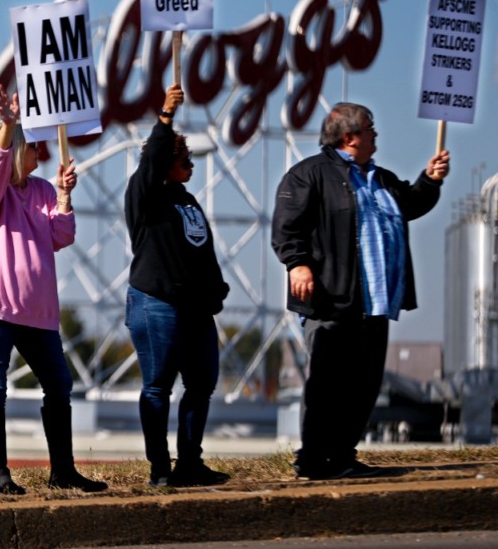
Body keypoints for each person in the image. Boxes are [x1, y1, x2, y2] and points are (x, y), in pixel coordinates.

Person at [272, 102, 449, 480]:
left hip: (377, 300)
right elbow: (288, 226)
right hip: (332, 300)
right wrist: (297, 262)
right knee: (326, 382)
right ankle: (313, 458)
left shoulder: (381, 179)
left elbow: (410, 204)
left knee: (364, 384)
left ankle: (342, 456)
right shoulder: (309, 175)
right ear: (350, 137)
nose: (376, 135)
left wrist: (430, 181)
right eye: (370, 129)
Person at [0, 85, 107, 495]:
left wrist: (63, 196)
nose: (40, 154)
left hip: (36, 312)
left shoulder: (41, 189)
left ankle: (63, 471)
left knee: (58, 384)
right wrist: (9, 126)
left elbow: (62, 235)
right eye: (33, 148)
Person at [124, 84, 231, 488]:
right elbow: (151, 159)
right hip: (156, 304)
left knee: (201, 385)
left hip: (195, 310)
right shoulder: (145, 195)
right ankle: (160, 468)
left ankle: (190, 463)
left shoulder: (187, 199)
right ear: (167, 160)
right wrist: (165, 118)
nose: (192, 165)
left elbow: (200, 251)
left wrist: (215, 291)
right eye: (185, 158)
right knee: (158, 387)